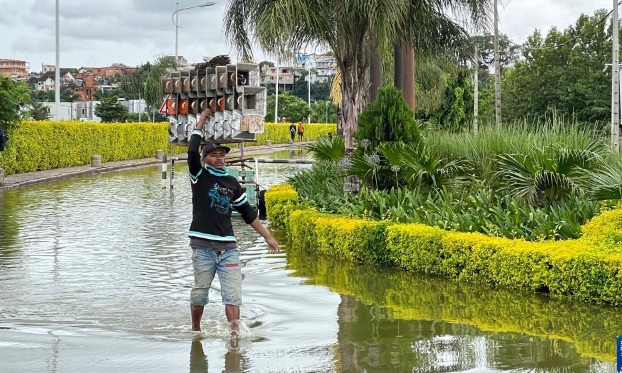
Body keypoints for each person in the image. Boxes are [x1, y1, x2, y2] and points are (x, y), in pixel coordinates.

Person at [188, 108, 280, 332]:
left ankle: (235, 334)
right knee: (200, 293)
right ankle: (196, 329)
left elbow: (248, 213)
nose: (219, 158)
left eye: (222, 155)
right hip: (202, 247)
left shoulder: (232, 182)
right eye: (213, 155)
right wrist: (201, 121)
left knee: (232, 294)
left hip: (228, 247)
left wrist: (268, 237)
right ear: (205, 159)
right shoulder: (199, 176)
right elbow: (191, 151)